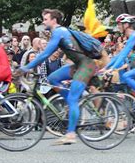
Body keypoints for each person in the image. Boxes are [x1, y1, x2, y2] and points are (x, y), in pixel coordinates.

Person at [17, 9, 98, 145]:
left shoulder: (59, 32)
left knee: (72, 98)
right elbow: (46, 55)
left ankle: (71, 134)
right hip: (79, 64)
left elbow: (44, 54)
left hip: (86, 65)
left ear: (54, 20)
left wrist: (26, 67)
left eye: (46, 19)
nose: (43, 22)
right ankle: (72, 104)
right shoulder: (59, 33)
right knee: (52, 78)